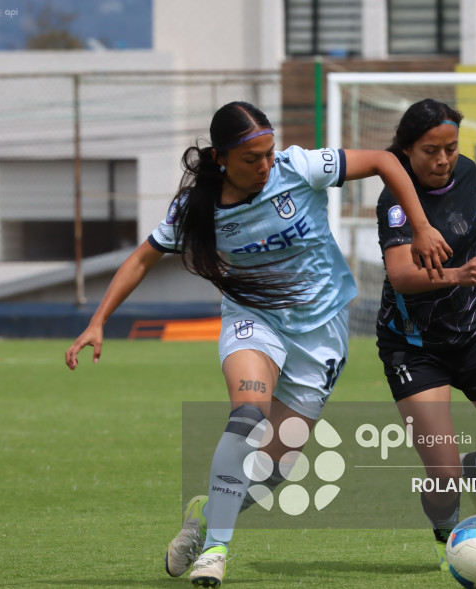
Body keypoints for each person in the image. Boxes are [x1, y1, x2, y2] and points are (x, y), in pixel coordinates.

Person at [65, 101, 451, 588]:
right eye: (252, 159)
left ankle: (204, 513)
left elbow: (384, 161)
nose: (266, 166)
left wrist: (420, 227)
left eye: (269, 154)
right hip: (254, 323)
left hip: (321, 332)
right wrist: (98, 320)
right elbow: (144, 257)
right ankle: (216, 552)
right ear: (221, 158)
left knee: (274, 470)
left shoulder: (298, 168)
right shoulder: (197, 209)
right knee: (248, 414)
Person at [375, 99, 476, 571]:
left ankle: (475, 470)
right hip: (415, 346)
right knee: (441, 479)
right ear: (406, 151)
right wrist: (458, 274)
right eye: (430, 150)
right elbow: (403, 276)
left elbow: (470, 199)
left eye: (450, 148)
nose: (443, 159)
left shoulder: (462, 170)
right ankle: (447, 526)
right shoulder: (396, 201)